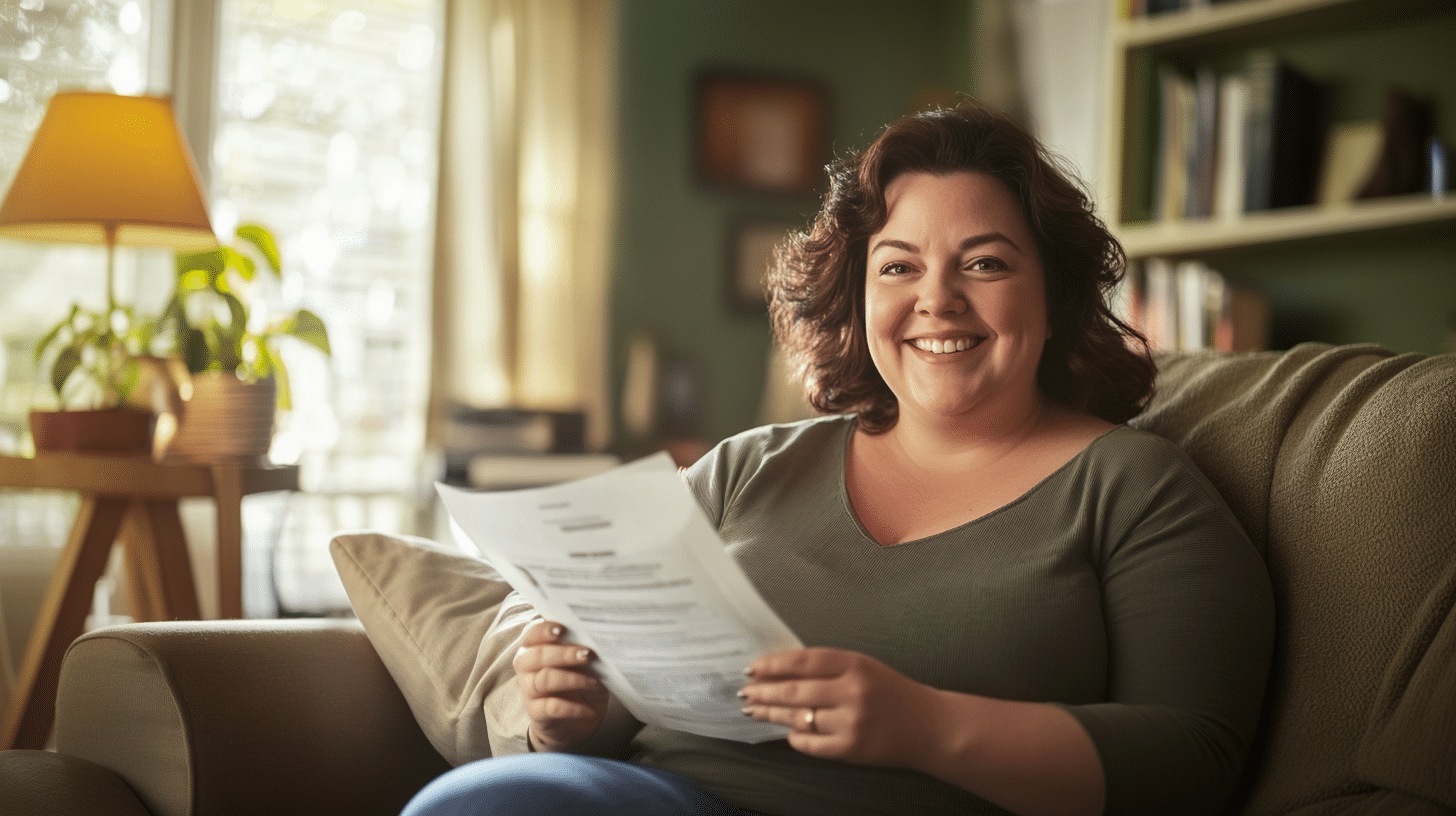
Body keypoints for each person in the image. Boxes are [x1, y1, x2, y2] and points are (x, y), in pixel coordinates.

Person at [402, 102, 1275, 816]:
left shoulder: (1136, 490)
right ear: (857, 298)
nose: (937, 298)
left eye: (985, 262)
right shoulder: (746, 469)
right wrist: (568, 715)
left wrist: (926, 726)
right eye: (898, 267)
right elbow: (622, 714)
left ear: (1055, 295)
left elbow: (1193, 763)